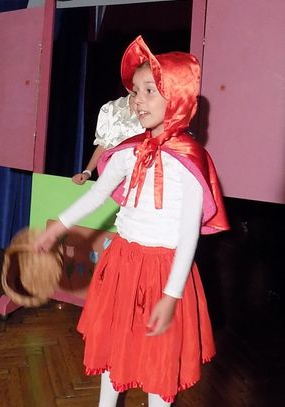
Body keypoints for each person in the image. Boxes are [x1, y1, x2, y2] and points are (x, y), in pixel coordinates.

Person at [34, 36, 229, 406]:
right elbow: (96, 195)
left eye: (149, 91)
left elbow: (189, 233)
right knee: (114, 344)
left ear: (177, 97)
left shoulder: (190, 160)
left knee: (159, 359)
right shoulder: (128, 151)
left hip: (164, 270)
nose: (138, 100)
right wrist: (59, 226)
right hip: (122, 263)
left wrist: (172, 294)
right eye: (136, 91)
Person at [72, 94, 143, 185]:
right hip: (112, 175)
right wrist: (87, 172)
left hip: (141, 175)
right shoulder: (110, 108)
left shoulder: (153, 109)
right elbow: (103, 144)